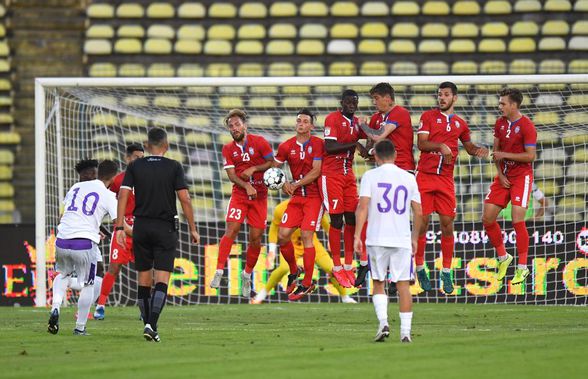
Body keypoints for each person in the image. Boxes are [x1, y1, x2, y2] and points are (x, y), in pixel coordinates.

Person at [115, 128, 199, 342]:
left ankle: (148, 325)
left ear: (146, 144)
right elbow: (185, 199)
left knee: (144, 279)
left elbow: (123, 195)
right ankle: (152, 324)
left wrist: (118, 227)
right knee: (161, 279)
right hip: (165, 228)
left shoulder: (134, 166)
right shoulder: (173, 166)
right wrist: (192, 227)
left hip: (141, 227)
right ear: (166, 145)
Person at [414, 82, 489, 294]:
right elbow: (421, 143)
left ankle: (446, 272)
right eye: (440, 94)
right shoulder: (428, 117)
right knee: (422, 223)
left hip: (445, 179)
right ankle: (420, 267)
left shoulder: (461, 124)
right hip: (425, 177)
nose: (442, 98)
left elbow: (469, 147)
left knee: (447, 225)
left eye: (446, 95)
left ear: (454, 98)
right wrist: (440, 145)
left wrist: (479, 150)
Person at [354, 140, 422, 343]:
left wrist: (357, 234)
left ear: (375, 156)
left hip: (376, 238)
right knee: (403, 286)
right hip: (401, 239)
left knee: (378, 282)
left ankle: (383, 322)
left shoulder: (369, 176)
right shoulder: (409, 177)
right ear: (395, 155)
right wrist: (414, 237)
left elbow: (363, 207)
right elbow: (419, 210)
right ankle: (406, 333)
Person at [48, 160, 119, 336]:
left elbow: (66, 214)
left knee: (62, 275)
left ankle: (55, 308)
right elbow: (118, 221)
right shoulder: (108, 194)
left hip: (62, 239)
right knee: (90, 283)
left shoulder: (74, 188)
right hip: (84, 242)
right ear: (113, 177)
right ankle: (80, 327)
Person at [209, 109, 274, 298]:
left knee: (256, 238)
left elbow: (271, 162)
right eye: (231, 126)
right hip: (240, 195)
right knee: (232, 228)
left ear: (244, 125)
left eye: (237, 124)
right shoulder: (228, 149)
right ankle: (219, 271)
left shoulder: (259, 142)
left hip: (260, 196)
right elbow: (231, 175)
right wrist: (246, 186)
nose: (234, 128)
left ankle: (246, 275)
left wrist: (254, 168)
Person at [251, 199, 356, 304]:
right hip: (291, 244)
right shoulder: (280, 209)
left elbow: (325, 223)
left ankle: (345, 297)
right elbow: (274, 228)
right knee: (283, 268)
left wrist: (330, 239)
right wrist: (272, 250)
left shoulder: (313, 206)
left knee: (331, 269)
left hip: (311, 242)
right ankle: (262, 295)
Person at [482, 87, 537, 285]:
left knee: (517, 220)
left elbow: (530, 156)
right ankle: (504, 257)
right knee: (487, 218)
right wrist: (500, 173)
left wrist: (505, 156)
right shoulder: (500, 123)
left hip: (522, 177)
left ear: (514, 105)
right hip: (504, 176)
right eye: (499, 103)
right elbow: (496, 152)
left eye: (503, 103)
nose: (500, 106)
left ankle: (523, 268)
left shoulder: (527, 126)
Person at [271, 109, 325, 300]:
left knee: (306, 235)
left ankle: (307, 283)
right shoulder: (286, 146)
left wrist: (294, 184)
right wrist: (282, 181)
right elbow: (273, 168)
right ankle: (294, 271)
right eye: (298, 120)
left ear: (311, 126)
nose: (301, 123)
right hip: (296, 199)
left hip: (314, 197)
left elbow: (317, 171)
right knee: (283, 236)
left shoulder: (318, 144)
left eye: (305, 121)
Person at [320, 89, 369, 289]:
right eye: (348, 101)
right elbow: (329, 147)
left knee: (351, 218)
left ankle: (349, 266)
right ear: (342, 102)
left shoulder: (357, 122)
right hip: (331, 175)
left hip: (348, 174)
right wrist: (356, 144)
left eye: (354, 102)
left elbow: (373, 135)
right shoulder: (332, 119)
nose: (351, 104)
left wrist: (372, 140)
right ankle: (337, 267)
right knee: (337, 220)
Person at [94, 143, 144, 320]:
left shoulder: (149, 178)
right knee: (114, 267)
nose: (139, 160)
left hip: (142, 228)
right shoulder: (117, 180)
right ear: (127, 158)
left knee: (146, 270)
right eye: (136, 157)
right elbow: (101, 201)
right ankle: (100, 305)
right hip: (122, 228)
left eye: (142, 157)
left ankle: (144, 308)